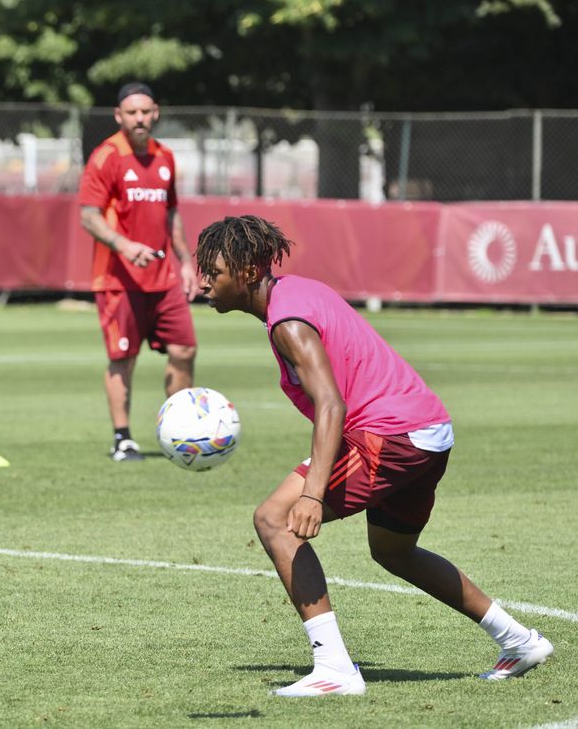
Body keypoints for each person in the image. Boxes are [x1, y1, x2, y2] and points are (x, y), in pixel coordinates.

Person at [195, 214, 553, 696]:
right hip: (427, 430)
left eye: (212, 273)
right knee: (392, 550)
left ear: (249, 273)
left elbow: (331, 404)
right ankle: (519, 641)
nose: (204, 281)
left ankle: (335, 670)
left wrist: (312, 495)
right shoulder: (294, 293)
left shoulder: (288, 321)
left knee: (273, 519)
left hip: (394, 436)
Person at [78, 81, 200, 462]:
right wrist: (125, 246)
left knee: (185, 349)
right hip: (118, 279)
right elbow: (88, 216)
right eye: (132, 113)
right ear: (119, 116)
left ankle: (181, 432)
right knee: (123, 357)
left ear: (156, 112)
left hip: (163, 277)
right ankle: (122, 438)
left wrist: (185, 261)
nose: (140, 118)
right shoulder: (107, 156)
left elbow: (171, 212)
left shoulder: (165, 157)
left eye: (145, 111)